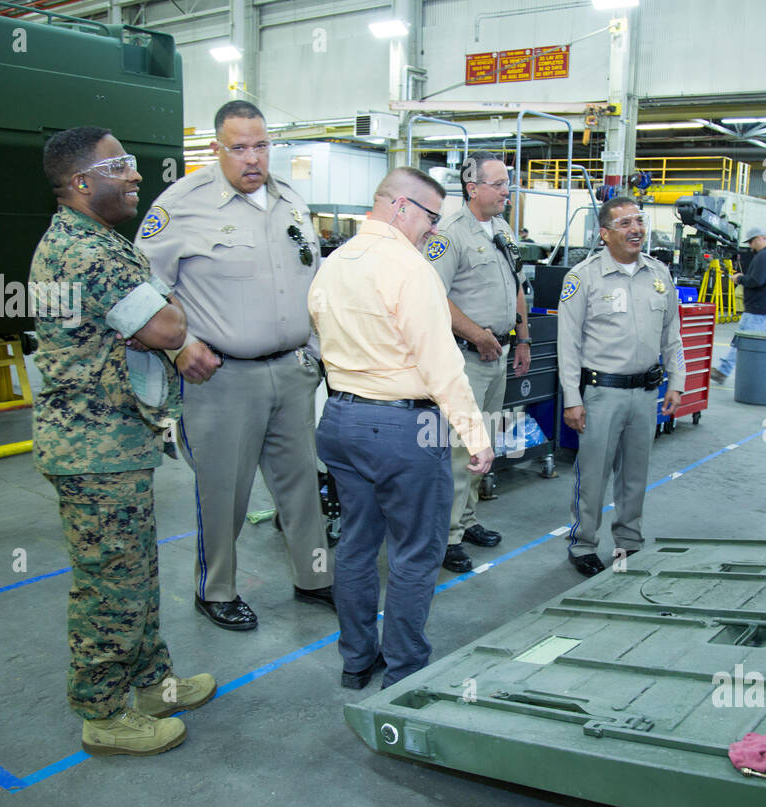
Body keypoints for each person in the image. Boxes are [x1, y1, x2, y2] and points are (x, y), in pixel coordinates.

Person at [31, 126, 215, 756]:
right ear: (83, 182)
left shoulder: (98, 243)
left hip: (113, 441)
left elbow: (150, 327)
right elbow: (168, 324)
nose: (137, 175)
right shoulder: (86, 252)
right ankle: (102, 713)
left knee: (135, 570)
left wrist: (146, 328)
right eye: (122, 166)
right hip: (93, 447)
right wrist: (156, 324)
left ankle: (150, 684)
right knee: (110, 581)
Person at [136, 100, 332, 632]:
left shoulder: (290, 200)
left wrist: (313, 349)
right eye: (239, 147)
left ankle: (314, 576)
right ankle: (216, 589)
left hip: (291, 371)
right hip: (220, 378)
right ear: (215, 149)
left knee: (300, 483)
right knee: (225, 493)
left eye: (261, 145)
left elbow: (310, 280)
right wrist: (179, 347)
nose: (253, 158)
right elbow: (143, 290)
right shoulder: (182, 206)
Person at [310, 168, 494, 688]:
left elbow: (319, 336)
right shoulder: (410, 270)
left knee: (357, 544)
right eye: (431, 219)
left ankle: (356, 660)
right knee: (417, 551)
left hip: (341, 419)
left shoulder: (332, 263)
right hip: (403, 427)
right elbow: (441, 364)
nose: (433, 232)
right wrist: (476, 435)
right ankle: (404, 668)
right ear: (401, 207)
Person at [558, 197, 686, 576]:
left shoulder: (660, 275)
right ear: (605, 233)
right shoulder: (583, 278)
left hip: (646, 394)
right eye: (626, 223)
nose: (636, 229)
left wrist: (676, 381)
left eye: (640, 221)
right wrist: (572, 398)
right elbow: (569, 344)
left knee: (635, 474)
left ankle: (629, 543)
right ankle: (582, 544)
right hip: (601, 394)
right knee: (593, 476)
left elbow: (672, 337)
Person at [424, 151, 530, 573]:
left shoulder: (501, 229)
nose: (508, 190)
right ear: (473, 188)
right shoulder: (449, 234)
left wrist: (522, 339)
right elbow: (432, 295)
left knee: (482, 442)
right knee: (456, 449)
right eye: (500, 184)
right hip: (466, 357)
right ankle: (446, 536)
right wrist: (477, 335)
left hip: (499, 355)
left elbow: (518, 284)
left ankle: (466, 522)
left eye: (507, 183)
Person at [710, 226, 766, 390]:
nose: (751, 246)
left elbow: (756, 280)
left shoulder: (764, 257)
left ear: (760, 238)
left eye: (752, 242)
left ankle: (723, 372)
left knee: (741, 341)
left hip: (757, 310)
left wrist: (740, 279)